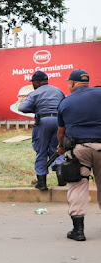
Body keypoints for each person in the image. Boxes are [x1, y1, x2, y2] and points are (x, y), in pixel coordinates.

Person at [56, 69, 101, 242]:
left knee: (78, 186)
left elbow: (61, 132)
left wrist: (61, 147)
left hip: (79, 149)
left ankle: (78, 230)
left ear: (72, 84)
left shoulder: (66, 102)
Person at [18, 70, 66, 190]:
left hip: (43, 121)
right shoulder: (58, 91)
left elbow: (22, 108)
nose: (32, 85)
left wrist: (37, 109)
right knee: (57, 148)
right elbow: (66, 105)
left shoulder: (35, 93)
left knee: (41, 150)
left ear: (38, 82)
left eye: (33, 82)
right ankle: (60, 173)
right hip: (58, 122)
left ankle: (42, 182)